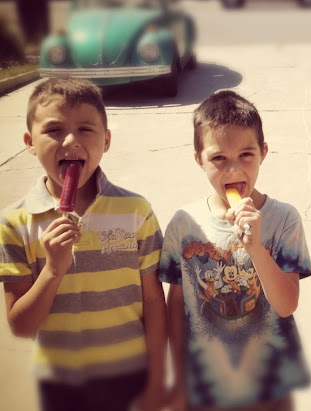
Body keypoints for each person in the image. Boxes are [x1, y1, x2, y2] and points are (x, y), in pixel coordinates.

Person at [0, 78, 167, 411]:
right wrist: (52, 270)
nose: (71, 141)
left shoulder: (136, 211)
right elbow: (20, 325)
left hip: (130, 374)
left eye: (85, 129)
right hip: (60, 383)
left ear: (106, 140)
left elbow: (152, 300)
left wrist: (158, 379)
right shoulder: (14, 222)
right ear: (29, 142)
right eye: (54, 130)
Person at [159, 90, 311, 411]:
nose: (233, 170)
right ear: (199, 159)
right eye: (218, 158)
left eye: (246, 155)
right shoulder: (184, 223)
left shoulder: (284, 219)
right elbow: (176, 303)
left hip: (270, 384)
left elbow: (286, 305)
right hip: (206, 383)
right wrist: (180, 376)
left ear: (263, 153)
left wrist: (254, 246)